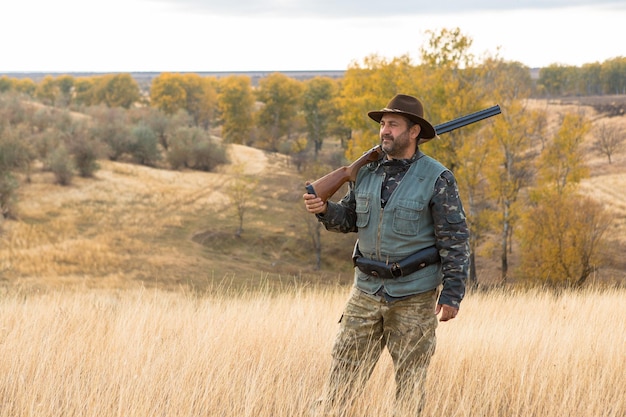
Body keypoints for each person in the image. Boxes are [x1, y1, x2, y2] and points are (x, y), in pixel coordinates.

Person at [303, 94, 470, 416]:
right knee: (341, 378)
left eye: (393, 124)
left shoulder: (437, 178)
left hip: (414, 295)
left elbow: (455, 239)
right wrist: (324, 210)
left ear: (414, 132)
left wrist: (452, 294)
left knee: (410, 384)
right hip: (364, 292)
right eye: (382, 124)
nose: (385, 131)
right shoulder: (365, 172)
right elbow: (348, 221)